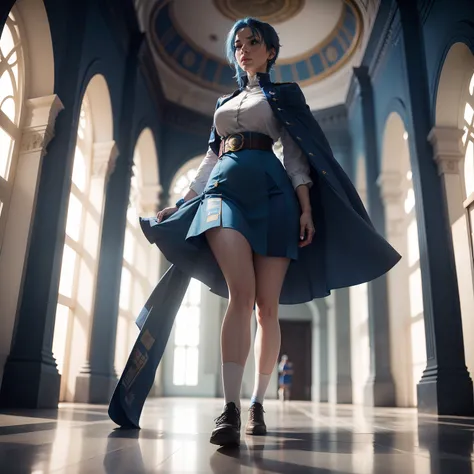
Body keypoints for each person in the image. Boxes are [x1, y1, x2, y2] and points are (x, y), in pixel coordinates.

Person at [112, 17, 400, 446]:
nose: (243, 48)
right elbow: (211, 158)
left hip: (275, 197)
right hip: (223, 193)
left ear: (270, 51)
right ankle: (229, 408)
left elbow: (298, 153)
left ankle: (257, 403)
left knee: (267, 309)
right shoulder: (223, 102)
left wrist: (305, 207)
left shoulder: (285, 95)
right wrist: (186, 198)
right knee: (240, 295)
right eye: (238, 43)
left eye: (253, 41)